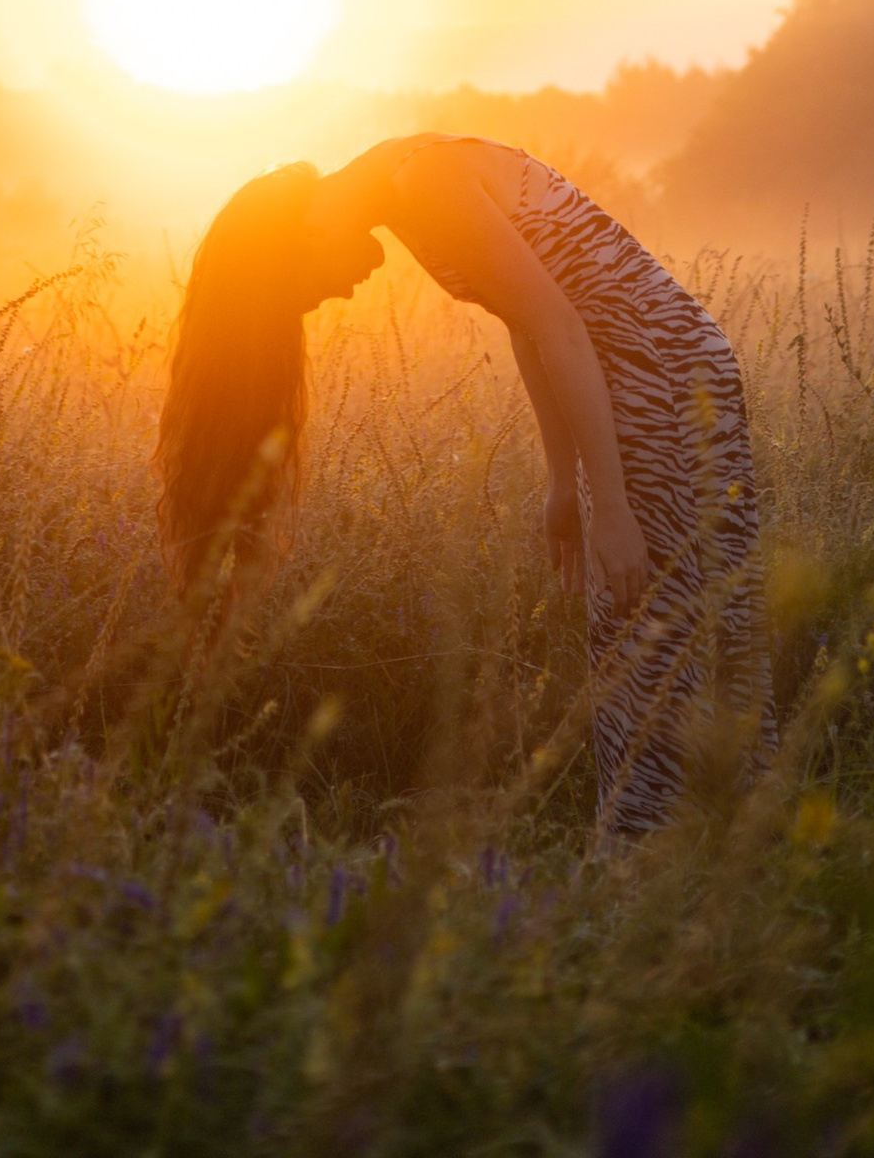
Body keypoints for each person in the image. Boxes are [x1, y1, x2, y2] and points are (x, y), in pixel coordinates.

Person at [157, 133, 772, 835]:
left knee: (644, 633)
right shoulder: (403, 185)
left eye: (306, 291)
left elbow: (563, 332)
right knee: (694, 623)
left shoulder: (423, 186)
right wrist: (565, 483)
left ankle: (641, 866)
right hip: (655, 373)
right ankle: (729, 845)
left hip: (655, 378)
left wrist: (614, 510)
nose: (333, 295)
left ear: (299, 238)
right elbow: (528, 321)